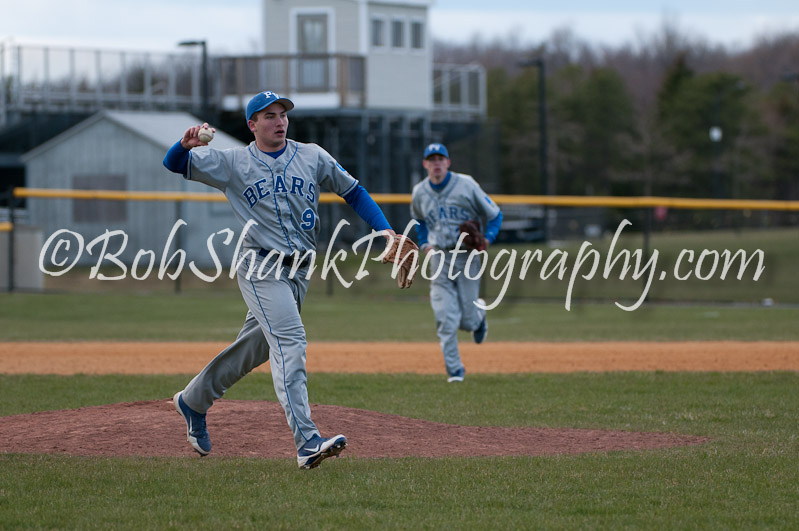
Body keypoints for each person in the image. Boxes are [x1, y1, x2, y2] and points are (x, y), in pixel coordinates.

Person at [163, 91, 400, 469]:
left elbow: (353, 191)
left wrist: (386, 231)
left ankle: (193, 401)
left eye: (283, 114)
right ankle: (307, 442)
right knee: (290, 341)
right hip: (259, 267)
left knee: (255, 348)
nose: (279, 121)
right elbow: (174, 164)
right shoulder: (232, 163)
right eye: (269, 115)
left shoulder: (311, 156)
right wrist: (183, 144)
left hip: (299, 271)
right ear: (252, 125)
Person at [410, 143, 503, 382]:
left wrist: (489, 239)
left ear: (448, 162)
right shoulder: (420, 191)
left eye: (441, 158)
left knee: (467, 321)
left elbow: (495, 214)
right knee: (445, 317)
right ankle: (455, 371)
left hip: (467, 256)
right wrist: (424, 244)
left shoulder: (466, 184)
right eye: (432, 159)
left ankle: (479, 316)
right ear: (425, 164)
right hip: (439, 256)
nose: (436, 163)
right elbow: (419, 220)